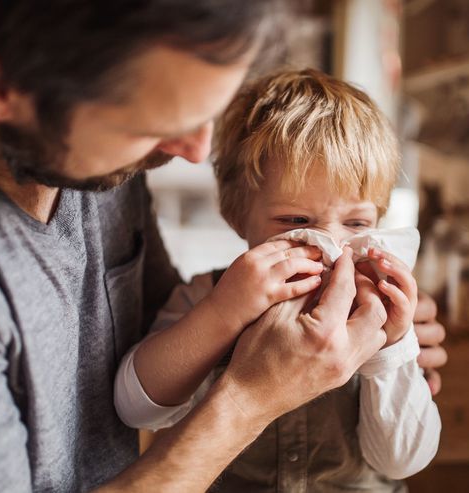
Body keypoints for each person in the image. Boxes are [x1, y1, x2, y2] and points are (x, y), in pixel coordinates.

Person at [0, 2, 447, 491]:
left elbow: (404, 455)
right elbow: (140, 397)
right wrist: (251, 391)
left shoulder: (103, 164)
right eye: (153, 124)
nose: (197, 153)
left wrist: (397, 348)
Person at [114, 69, 441, 492]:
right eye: (297, 221)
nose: (332, 245)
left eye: (357, 222)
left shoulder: (382, 312)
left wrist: (392, 350)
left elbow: (401, 462)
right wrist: (222, 313)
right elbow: (136, 410)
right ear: (237, 215)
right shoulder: (208, 296)